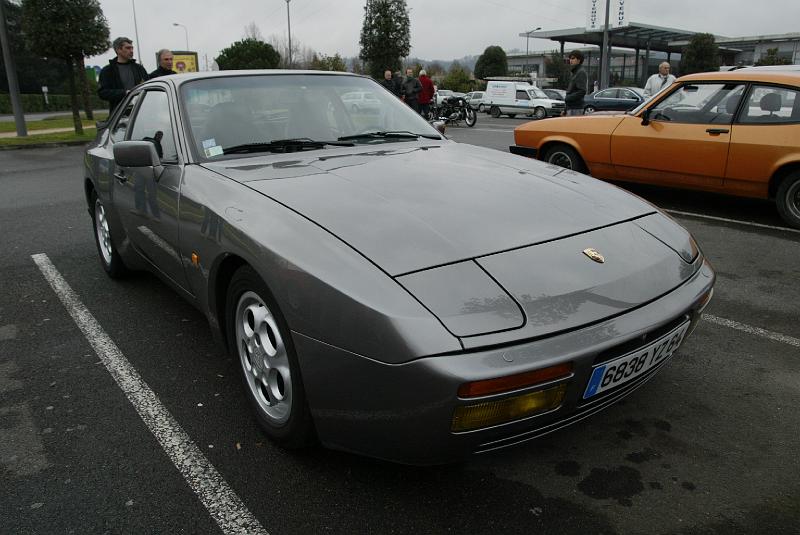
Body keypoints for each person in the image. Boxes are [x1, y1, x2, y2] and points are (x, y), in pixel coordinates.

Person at [98, 37, 148, 113]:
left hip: (140, 112)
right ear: (118, 50)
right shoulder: (108, 71)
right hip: (119, 114)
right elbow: (102, 93)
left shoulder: (139, 69)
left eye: (132, 48)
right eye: (128, 48)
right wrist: (124, 93)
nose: (131, 51)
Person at [564, 50, 588, 116]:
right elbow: (572, 90)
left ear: (579, 60)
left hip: (576, 108)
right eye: (570, 58)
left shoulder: (581, 72)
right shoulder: (575, 72)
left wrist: (568, 98)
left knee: (573, 126)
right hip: (571, 107)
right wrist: (565, 109)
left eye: (573, 58)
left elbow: (582, 91)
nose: (570, 60)